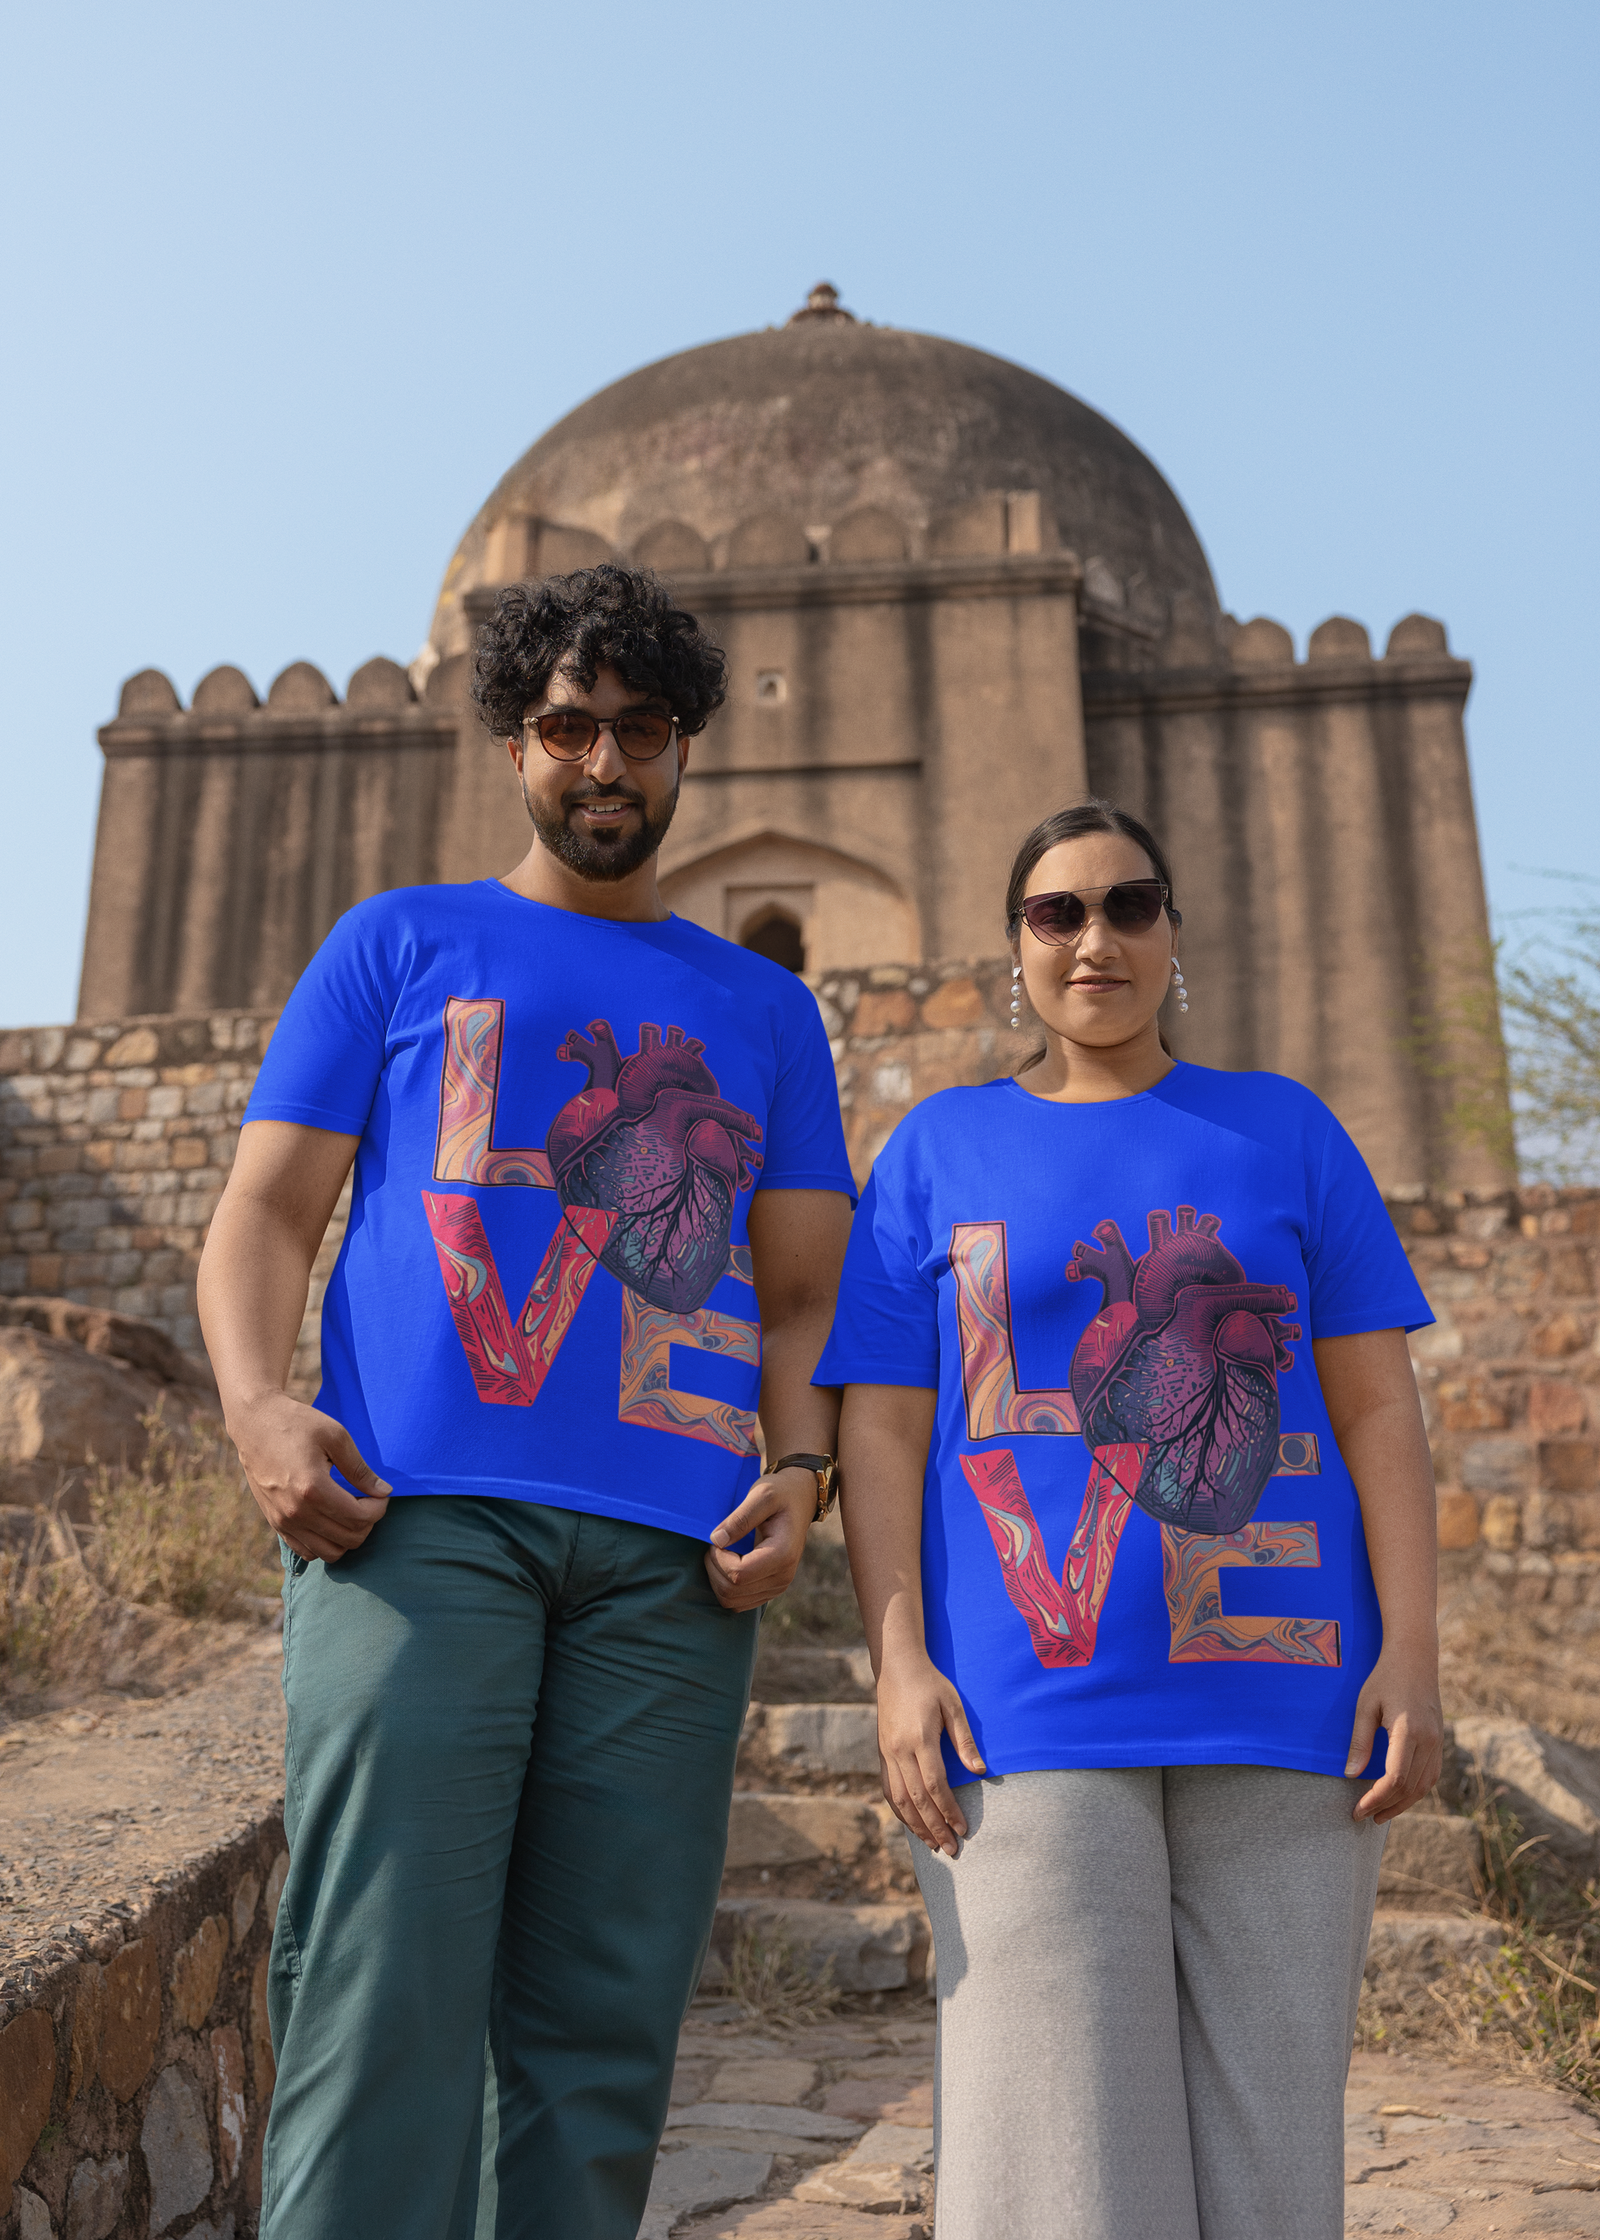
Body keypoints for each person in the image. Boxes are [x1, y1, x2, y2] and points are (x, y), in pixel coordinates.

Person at [198, 564, 855, 2240]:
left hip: (672, 1564)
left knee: (605, 2025)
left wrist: (803, 1463)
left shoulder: (767, 1010)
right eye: (572, 726)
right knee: (381, 1974)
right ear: (513, 742)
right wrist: (260, 1411)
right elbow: (268, 1214)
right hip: (415, 1526)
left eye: (643, 729)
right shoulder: (403, 943)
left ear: (688, 749)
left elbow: (798, 1292)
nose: (608, 763)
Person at [814, 800, 1443, 2240]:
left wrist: (1411, 1649)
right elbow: (886, 1423)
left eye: (1129, 906)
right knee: (1061, 2182)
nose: (1096, 938)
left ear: (1173, 934)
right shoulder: (938, 1151)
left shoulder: (1282, 1132)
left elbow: (1379, 1414)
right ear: (1016, 951)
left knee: (1275, 2171)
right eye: (1059, 913)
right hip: (1026, 1718)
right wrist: (897, 1664)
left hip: (1290, 1710)